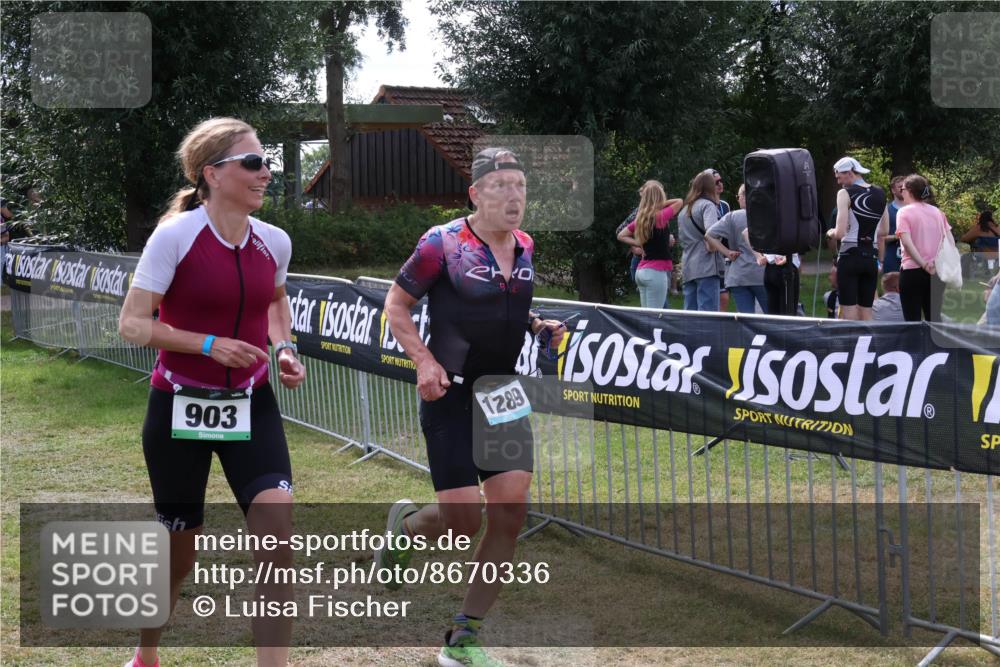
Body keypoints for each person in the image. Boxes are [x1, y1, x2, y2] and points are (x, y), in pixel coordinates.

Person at [118, 117, 306, 667]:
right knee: (180, 554)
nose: (266, 172)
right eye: (252, 163)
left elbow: (274, 303)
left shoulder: (275, 241)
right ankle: (146, 652)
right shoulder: (175, 236)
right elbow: (132, 323)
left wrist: (285, 348)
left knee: (277, 541)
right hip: (179, 404)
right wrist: (208, 345)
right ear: (212, 173)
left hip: (252, 404)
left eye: (266, 161)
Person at [378, 147, 565, 667]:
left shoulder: (525, 245)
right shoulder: (442, 243)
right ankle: (407, 529)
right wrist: (422, 361)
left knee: (509, 512)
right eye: (502, 185)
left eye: (521, 186)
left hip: (500, 392)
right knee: (463, 519)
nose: (514, 196)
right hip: (451, 391)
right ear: (476, 194)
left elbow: (506, 304)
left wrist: (536, 325)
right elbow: (397, 303)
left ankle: (464, 638)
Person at [826, 156, 888, 321]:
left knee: (849, 312)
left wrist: (830, 232)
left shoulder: (845, 193)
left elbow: (839, 233)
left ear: (850, 173)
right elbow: (884, 230)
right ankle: (870, 346)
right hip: (871, 258)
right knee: (867, 311)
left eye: (840, 177)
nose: (839, 182)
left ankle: (851, 345)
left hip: (850, 256)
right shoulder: (880, 193)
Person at [617, 180, 683, 308]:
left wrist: (637, 242)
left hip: (641, 271)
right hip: (655, 272)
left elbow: (621, 235)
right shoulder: (660, 216)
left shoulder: (641, 218)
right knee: (655, 316)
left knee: (646, 315)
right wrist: (659, 204)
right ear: (660, 197)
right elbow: (679, 201)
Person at [704, 184, 767, 313]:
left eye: (738, 196)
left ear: (745, 197)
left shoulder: (732, 216)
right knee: (770, 316)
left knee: (745, 318)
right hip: (761, 272)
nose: (738, 199)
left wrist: (727, 252)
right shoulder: (765, 215)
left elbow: (709, 235)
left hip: (738, 275)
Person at [896, 174, 950, 322]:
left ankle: (915, 346)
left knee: (912, 319)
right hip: (936, 271)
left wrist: (924, 264)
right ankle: (936, 346)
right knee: (934, 319)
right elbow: (948, 241)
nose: (901, 192)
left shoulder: (904, 212)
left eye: (903, 189)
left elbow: (907, 242)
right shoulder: (938, 212)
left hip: (913, 270)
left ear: (910, 191)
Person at [677, 171, 722, 311]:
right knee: (708, 315)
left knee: (690, 314)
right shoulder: (708, 206)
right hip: (706, 266)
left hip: (688, 266)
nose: (719, 185)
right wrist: (714, 245)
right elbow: (712, 234)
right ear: (710, 187)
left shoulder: (684, 210)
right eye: (716, 183)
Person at [706, 169, 731, 311]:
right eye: (716, 182)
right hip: (710, 255)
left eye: (721, 181)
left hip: (724, 255)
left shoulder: (724, 205)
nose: (720, 184)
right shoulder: (704, 205)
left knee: (724, 297)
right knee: (717, 296)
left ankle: (720, 327)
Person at [960, 210, 1000, 274]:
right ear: (991, 218)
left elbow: (964, 239)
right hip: (997, 256)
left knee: (965, 255)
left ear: (981, 218)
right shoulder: (998, 227)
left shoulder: (979, 228)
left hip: (982, 255)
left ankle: (965, 276)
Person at [880, 176, 906, 274]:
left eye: (905, 186)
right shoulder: (886, 210)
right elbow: (880, 237)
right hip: (892, 255)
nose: (903, 188)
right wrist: (897, 236)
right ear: (893, 190)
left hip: (914, 256)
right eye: (900, 186)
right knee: (892, 286)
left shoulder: (915, 209)